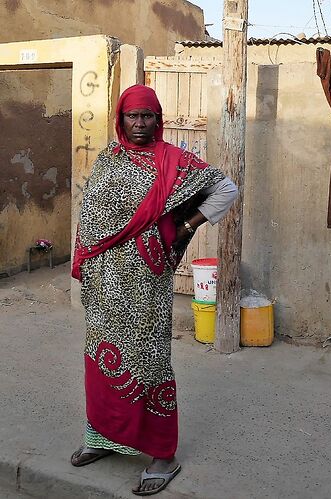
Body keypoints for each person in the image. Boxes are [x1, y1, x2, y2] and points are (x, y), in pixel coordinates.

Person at [71, 84, 237, 496]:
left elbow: (226, 189)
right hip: (105, 282)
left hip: (145, 283)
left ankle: (163, 454)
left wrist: (185, 227)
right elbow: (93, 216)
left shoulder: (175, 162)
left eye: (148, 116)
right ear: (121, 118)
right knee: (102, 360)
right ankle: (103, 438)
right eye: (133, 116)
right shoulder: (109, 159)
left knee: (148, 363)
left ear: (158, 119)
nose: (140, 124)